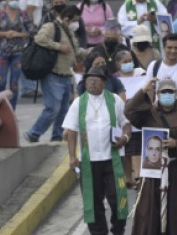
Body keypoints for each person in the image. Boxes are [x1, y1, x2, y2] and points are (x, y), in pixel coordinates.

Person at [125, 77, 177, 235]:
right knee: (148, 211)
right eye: (163, 91)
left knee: (174, 211)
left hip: (174, 170)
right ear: (157, 93)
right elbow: (129, 111)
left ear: (176, 93)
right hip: (151, 171)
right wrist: (144, 90)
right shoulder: (148, 112)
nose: (167, 95)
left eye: (170, 92)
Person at [62, 66, 131, 235]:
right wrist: (72, 156)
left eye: (97, 80)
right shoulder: (79, 103)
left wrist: (125, 138)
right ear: (85, 83)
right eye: (89, 80)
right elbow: (71, 130)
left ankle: (118, 229)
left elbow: (126, 124)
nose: (93, 83)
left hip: (113, 158)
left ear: (104, 83)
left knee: (117, 198)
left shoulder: (115, 100)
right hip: (89, 160)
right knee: (93, 201)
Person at [26, 6, 88, 143]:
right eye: (75, 21)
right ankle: (34, 132)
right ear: (67, 19)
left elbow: (75, 53)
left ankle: (57, 136)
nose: (76, 24)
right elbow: (39, 39)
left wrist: (87, 53)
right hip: (53, 74)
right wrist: (58, 46)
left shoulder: (69, 32)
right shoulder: (50, 27)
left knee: (64, 110)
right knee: (53, 108)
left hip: (66, 74)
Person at [0, 0, 33, 108]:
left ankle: (12, 111)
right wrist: (4, 34)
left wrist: (18, 34)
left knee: (14, 83)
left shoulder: (23, 14)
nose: (14, 1)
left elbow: (31, 31)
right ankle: (1, 108)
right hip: (1, 51)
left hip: (17, 52)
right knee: (0, 82)